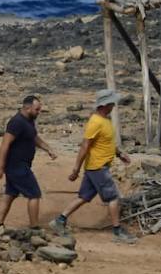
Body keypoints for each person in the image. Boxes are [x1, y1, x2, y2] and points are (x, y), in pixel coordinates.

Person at [50, 88, 135, 244]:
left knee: (84, 197)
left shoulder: (105, 121)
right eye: (111, 103)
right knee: (113, 197)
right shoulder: (95, 122)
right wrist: (76, 168)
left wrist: (119, 153)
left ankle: (60, 220)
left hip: (96, 166)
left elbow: (106, 142)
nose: (113, 106)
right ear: (105, 105)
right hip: (98, 167)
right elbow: (85, 146)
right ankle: (117, 231)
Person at [0, 94, 58, 228]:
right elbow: (5, 144)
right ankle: (34, 227)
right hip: (17, 165)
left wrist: (48, 149)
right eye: (37, 110)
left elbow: (34, 137)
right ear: (28, 108)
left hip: (20, 165)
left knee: (10, 194)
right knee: (34, 194)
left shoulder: (28, 121)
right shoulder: (16, 122)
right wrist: (1, 166)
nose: (39, 113)